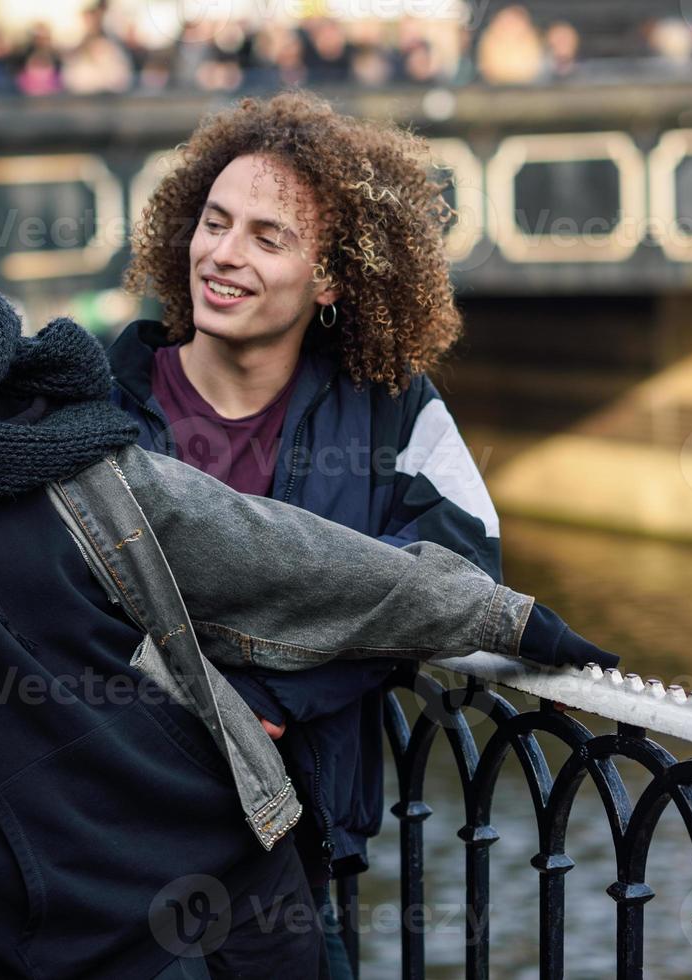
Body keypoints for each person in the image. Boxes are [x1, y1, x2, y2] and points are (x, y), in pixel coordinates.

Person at [0, 141, 618, 980]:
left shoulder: (44, 421)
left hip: (230, 881)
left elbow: (266, 553)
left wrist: (491, 616)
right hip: (16, 947)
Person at [112, 91, 507, 980]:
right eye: (214, 222)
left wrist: (280, 698)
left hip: (297, 846)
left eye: (267, 236)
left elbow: (462, 577)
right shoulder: (101, 397)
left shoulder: (391, 408)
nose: (224, 254)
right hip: (112, 854)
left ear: (327, 279)